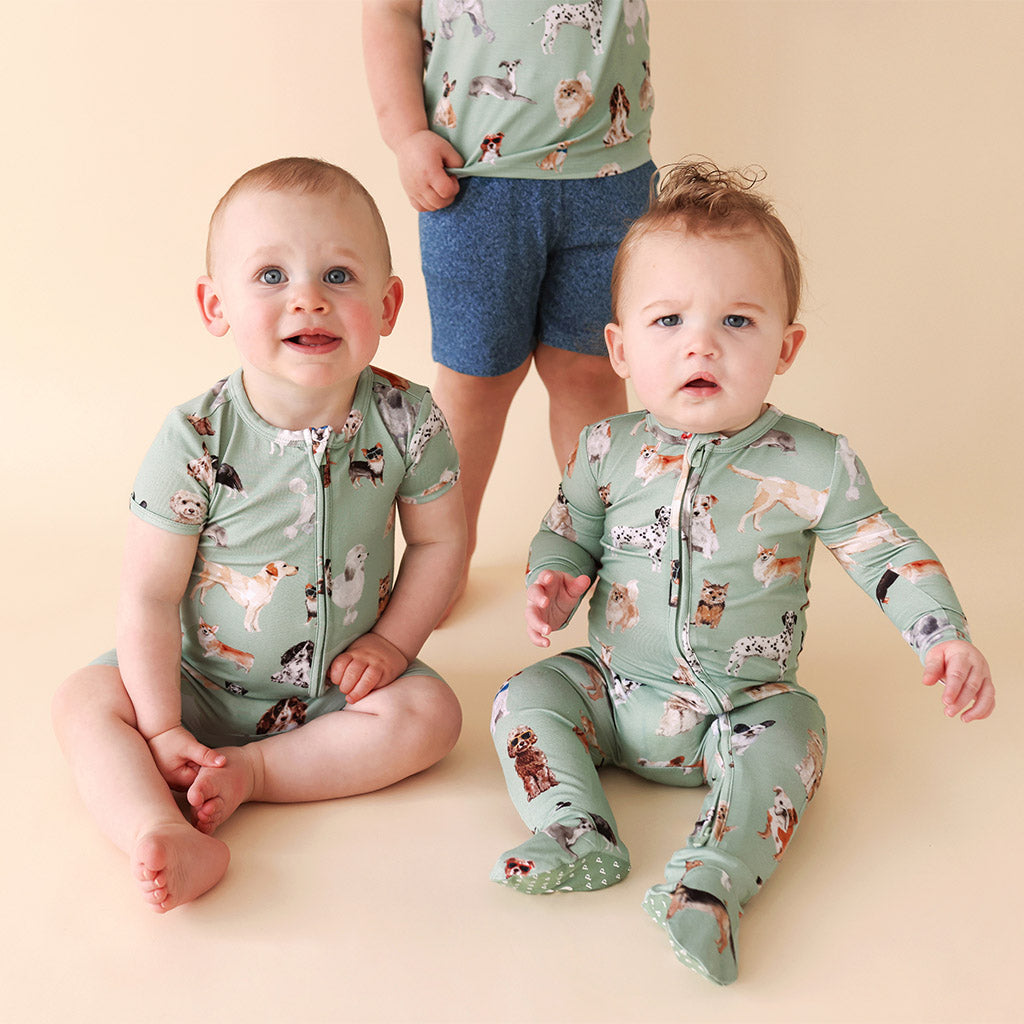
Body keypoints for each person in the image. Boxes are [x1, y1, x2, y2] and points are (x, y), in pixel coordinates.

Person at [487, 160, 995, 984]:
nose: (701, 343)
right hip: (614, 690)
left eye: (736, 320)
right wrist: (554, 578)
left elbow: (886, 549)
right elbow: (566, 534)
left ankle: (710, 884)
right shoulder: (604, 450)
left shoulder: (814, 461)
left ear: (786, 346)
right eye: (668, 320)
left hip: (743, 707)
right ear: (617, 348)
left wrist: (943, 634)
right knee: (523, 696)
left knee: (801, 736)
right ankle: (576, 830)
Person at [51, 157, 466, 913]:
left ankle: (259, 774)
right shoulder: (197, 438)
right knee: (82, 700)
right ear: (216, 306)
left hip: (339, 692)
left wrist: (393, 646)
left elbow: (440, 544)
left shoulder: (410, 421)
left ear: (390, 302)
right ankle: (158, 825)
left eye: (339, 276)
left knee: (435, 717)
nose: (308, 297)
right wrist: (162, 720)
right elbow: (148, 593)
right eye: (270, 276)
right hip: (197, 682)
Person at [363, 0, 657, 606]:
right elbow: (389, 13)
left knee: (594, 373)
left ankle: (603, 562)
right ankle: (440, 561)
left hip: (612, 173)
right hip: (473, 181)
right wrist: (406, 135)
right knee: (474, 382)